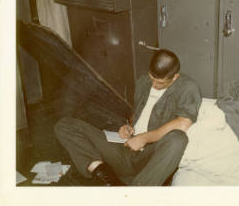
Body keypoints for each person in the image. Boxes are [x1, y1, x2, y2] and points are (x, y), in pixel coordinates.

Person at [54, 49, 202, 186]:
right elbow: (135, 114)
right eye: (152, 79)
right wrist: (128, 127)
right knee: (65, 125)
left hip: (150, 155)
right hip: (125, 148)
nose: (154, 85)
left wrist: (144, 138)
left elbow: (183, 123)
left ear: (175, 77)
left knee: (178, 139)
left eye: (161, 83)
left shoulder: (187, 87)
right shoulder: (143, 81)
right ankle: (104, 174)